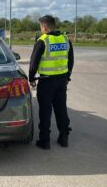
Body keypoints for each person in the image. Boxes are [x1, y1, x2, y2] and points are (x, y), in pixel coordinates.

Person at [29, 15, 74, 150]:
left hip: (46, 81)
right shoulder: (66, 39)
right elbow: (70, 60)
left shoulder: (43, 40)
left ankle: (45, 141)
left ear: (44, 26)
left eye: (40, 26)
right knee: (61, 110)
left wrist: (31, 78)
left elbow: (33, 62)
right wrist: (67, 77)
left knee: (45, 111)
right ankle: (64, 137)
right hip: (61, 81)